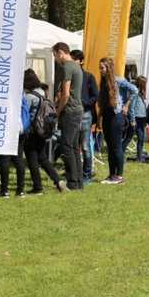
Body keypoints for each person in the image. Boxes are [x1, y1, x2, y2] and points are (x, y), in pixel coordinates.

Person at [24, 68, 67, 194]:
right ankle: (58, 181)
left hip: (31, 131)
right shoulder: (42, 92)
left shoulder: (29, 96)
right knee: (42, 158)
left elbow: (24, 113)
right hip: (42, 129)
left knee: (31, 159)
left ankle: (37, 187)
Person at [97, 57, 138, 185]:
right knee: (109, 147)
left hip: (117, 116)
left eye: (102, 68)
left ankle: (119, 176)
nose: (100, 70)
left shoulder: (118, 80)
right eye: (100, 68)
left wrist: (126, 105)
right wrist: (99, 117)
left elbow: (135, 90)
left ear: (108, 68)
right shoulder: (103, 82)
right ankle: (111, 174)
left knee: (116, 147)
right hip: (107, 116)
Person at [53, 43, 85, 190]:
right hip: (78, 110)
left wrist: (57, 111)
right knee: (73, 147)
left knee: (67, 146)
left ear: (60, 53)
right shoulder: (76, 66)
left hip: (70, 111)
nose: (55, 59)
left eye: (55, 55)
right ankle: (78, 181)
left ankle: (72, 182)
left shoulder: (67, 67)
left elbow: (65, 94)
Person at [70, 50, 99, 185]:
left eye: (74, 59)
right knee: (73, 145)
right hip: (71, 114)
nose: (72, 61)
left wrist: (84, 102)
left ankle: (87, 174)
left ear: (81, 61)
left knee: (85, 146)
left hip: (85, 114)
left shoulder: (88, 77)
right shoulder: (68, 76)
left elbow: (95, 96)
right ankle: (75, 173)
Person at [125, 76, 147, 162]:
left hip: (142, 118)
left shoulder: (141, 93)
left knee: (141, 139)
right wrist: (132, 120)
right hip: (136, 119)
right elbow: (131, 107)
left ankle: (139, 157)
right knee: (128, 138)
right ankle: (121, 153)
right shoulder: (135, 92)